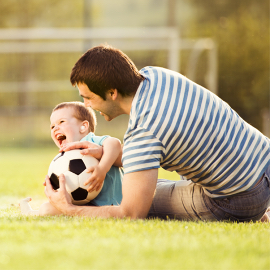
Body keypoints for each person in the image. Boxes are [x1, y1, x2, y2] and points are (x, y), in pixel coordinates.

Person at [44, 45, 270, 222]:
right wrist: (105, 153)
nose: (88, 105)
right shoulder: (155, 76)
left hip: (238, 198)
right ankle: (257, 209)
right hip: (262, 162)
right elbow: (150, 150)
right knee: (145, 184)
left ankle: (252, 211)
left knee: (130, 197)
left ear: (112, 92)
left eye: (89, 98)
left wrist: (70, 209)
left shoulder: (145, 130)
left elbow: (131, 213)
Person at [20, 101, 123, 216]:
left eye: (61, 122)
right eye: (52, 126)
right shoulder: (63, 158)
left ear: (83, 126)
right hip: (87, 207)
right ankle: (30, 212)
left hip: (117, 203)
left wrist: (102, 168)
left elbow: (115, 144)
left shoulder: (91, 141)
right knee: (47, 209)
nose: (55, 128)